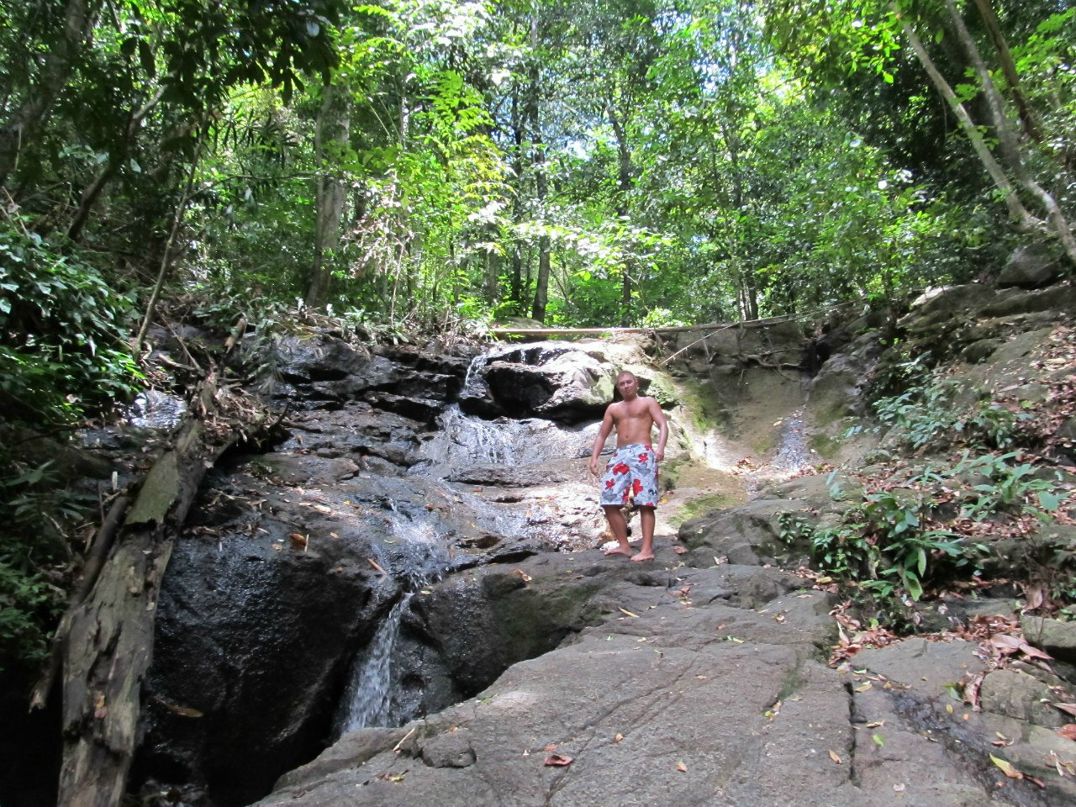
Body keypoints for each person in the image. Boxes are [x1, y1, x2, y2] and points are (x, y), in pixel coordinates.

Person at [588, 371, 669, 561]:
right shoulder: (613, 408)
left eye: (629, 382)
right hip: (620, 454)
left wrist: (660, 448)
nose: (626, 386)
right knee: (608, 499)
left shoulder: (648, 402)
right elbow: (602, 435)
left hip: (642, 452)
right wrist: (594, 457)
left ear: (636, 383)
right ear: (618, 387)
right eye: (622, 384)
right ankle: (624, 545)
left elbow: (663, 425)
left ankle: (646, 550)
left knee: (645, 502)